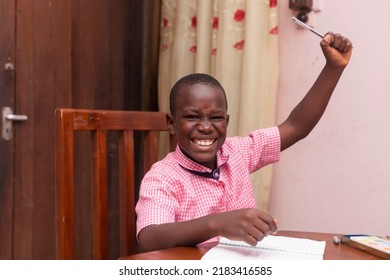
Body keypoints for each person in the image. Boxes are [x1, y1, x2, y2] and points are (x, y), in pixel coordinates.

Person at [135, 32, 353, 252]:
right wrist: (218, 223)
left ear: (226, 121)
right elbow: (150, 237)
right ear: (172, 124)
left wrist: (333, 69)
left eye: (216, 117)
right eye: (192, 117)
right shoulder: (162, 176)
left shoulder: (237, 151)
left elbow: (297, 126)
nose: (206, 126)